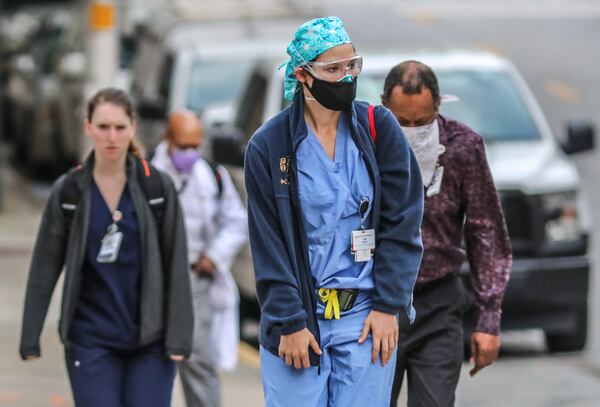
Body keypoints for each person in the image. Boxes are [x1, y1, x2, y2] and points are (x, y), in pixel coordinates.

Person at [244, 16, 424, 407]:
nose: (345, 77)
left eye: (351, 66)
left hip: (365, 317)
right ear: (303, 75)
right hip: (300, 321)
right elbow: (268, 244)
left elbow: (403, 222)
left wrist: (388, 305)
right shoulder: (269, 146)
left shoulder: (379, 128)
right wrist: (288, 321)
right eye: (332, 69)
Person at [19, 88, 193, 407]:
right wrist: (30, 335)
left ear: (133, 127)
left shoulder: (157, 188)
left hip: (151, 341)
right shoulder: (69, 191)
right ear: (88, 128)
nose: (111, 137)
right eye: (102, 127)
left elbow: (177, 264)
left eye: (119, 127)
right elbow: (45, 264)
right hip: (90, 339)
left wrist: (180, 336)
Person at [381, 61, 512, 407]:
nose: (411, 130)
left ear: (438, 105)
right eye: (401, 122)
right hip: (378, 302)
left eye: (421, 122)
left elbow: (486, 231)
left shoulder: (463, 147)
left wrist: (488, 320)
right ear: (384, 107)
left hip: (437, 304)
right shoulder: (365, 145)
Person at [152, 110, 248, 407]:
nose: (190, 154)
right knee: (151, 358)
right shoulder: (146, 172)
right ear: (167, 140)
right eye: (183, 147)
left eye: (195, 146)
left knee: (196, 356)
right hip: (153, 278)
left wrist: (213, 257)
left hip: (194, 277)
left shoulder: (212, 175)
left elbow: (237, 220)